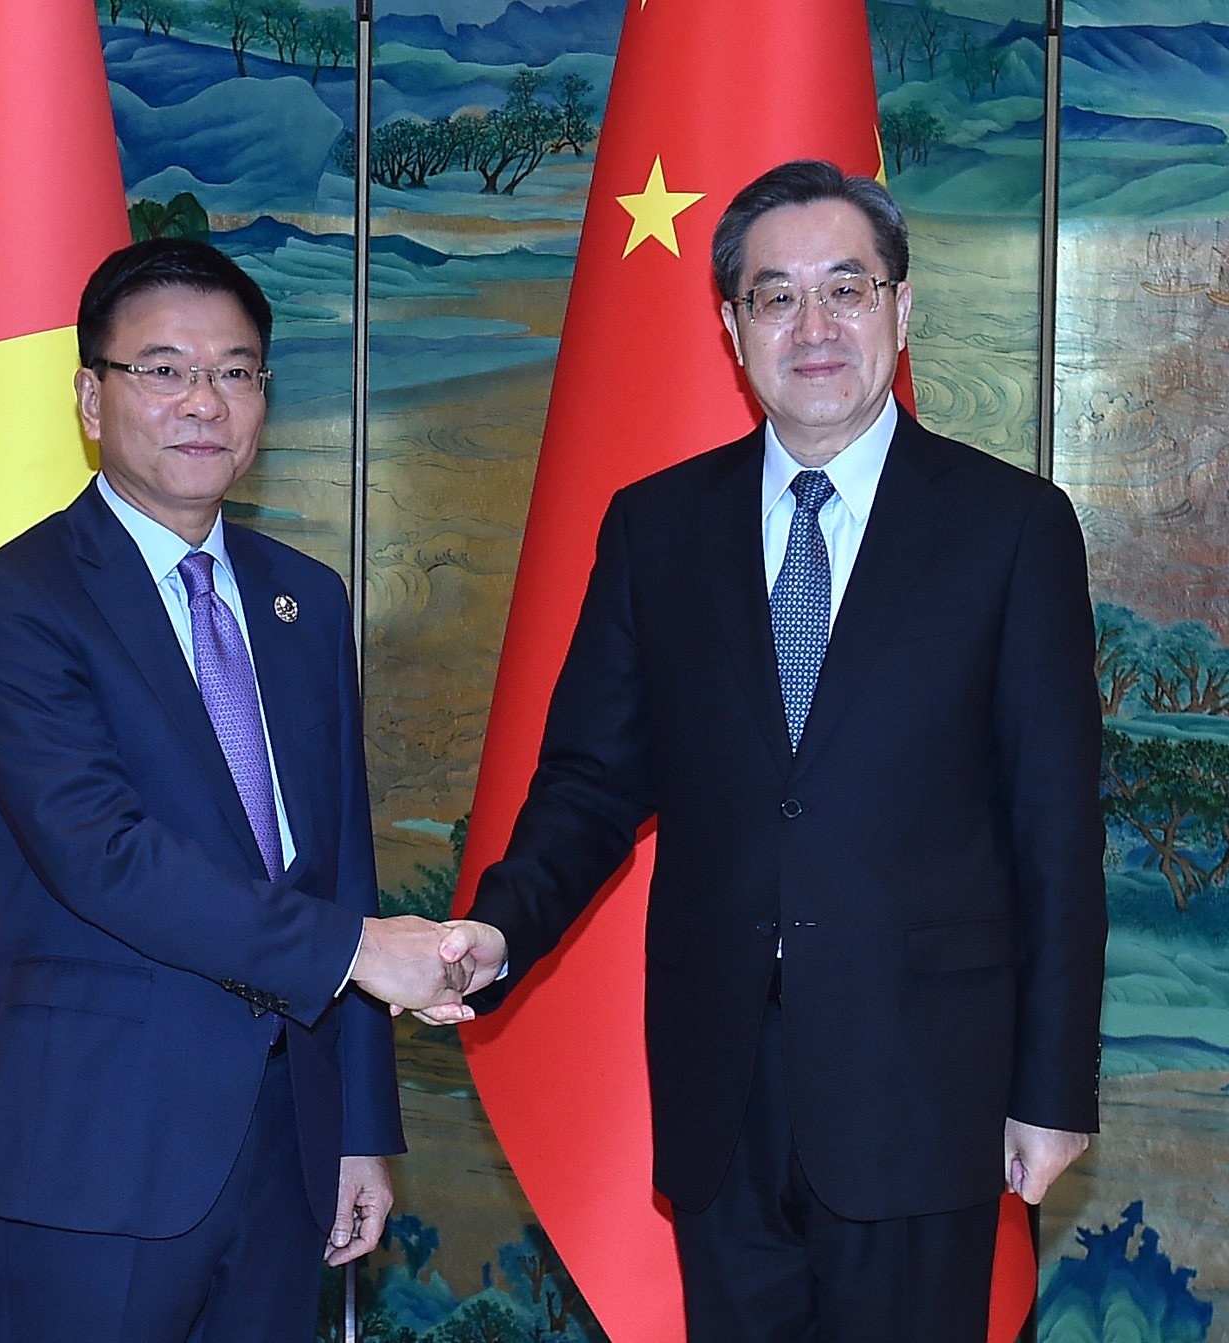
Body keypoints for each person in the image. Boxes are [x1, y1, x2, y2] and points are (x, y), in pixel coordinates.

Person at [431, 160, 1108, 1340]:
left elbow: (1053, 830)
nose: (813, 326)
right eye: (774, 296)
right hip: (721, 1084)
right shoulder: (656, 527)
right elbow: (590, 780)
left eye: (845, 289)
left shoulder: (1008, 527)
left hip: (922, 1085)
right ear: (730, 326)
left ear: (900, 307)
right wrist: (497, 927)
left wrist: (1049, 1088)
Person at [0, 238, 477, 1342]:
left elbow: (340, 859)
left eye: (235, 372)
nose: (203, 401)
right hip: (103, 1148)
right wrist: (356, 950)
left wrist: (358, 1125)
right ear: (91, 397)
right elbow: (104, 854)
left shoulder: (304, 599)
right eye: (163, 369)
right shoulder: (15, 601)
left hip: (289, 1144)